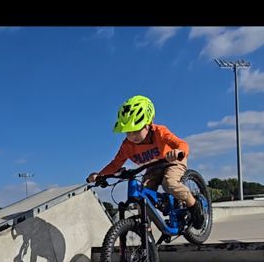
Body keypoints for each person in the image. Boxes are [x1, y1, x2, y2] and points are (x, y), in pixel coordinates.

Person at [86, 95, 204, 228]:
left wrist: (178, 152)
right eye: (128, 132)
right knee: (142, 195)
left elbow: (182, 143)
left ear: (148, 124)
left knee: (169, 184)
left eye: (136, 130)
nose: (132, 136)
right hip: (152, 168)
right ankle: (145, 231)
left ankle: (195, 206)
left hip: (172, 161)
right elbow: (115, 164)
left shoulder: (159, 132)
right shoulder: (127, 146)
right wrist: (100, 175)